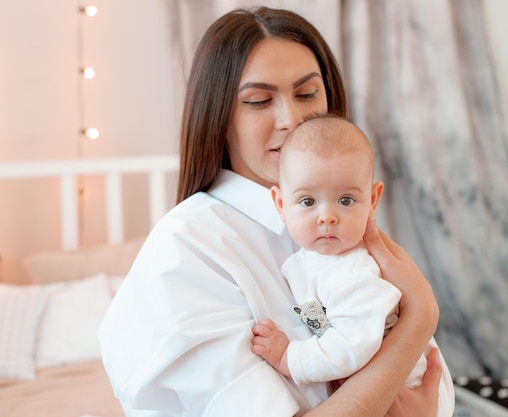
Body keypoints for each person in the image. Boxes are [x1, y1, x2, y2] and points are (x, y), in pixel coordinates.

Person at [98, 6, 442, 417]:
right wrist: (421, 315)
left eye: (307, 94)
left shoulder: (344, 226)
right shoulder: (186, 247)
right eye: (259, 101)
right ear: (219, 119)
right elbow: (404, 350)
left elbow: (426, 382)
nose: (291, 120)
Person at [251, 114, 455, 417]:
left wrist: (290, 357)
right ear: (280, 204)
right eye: (308, 202)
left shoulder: (355, 272)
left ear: (372, 200)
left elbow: (350, 346)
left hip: (410, 390)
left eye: (345, 200)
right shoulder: (311, 260)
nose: (327, 216)